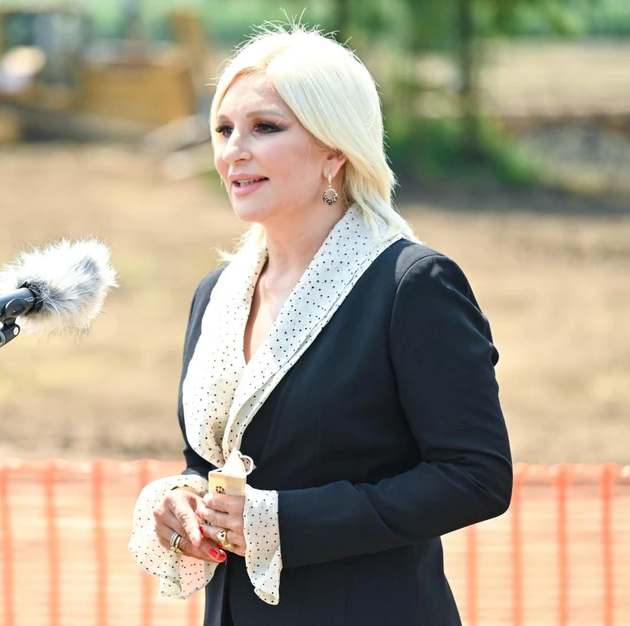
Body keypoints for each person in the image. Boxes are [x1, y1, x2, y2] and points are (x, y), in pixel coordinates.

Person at [128, 23, 513, 626]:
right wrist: (182, 498)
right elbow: (214, 459)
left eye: (265, 127)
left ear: (335, 151)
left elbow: (476, 476)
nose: (233, 151)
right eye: (223, 129)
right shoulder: (216, 294)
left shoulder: (410, 285)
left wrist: (286, 522)